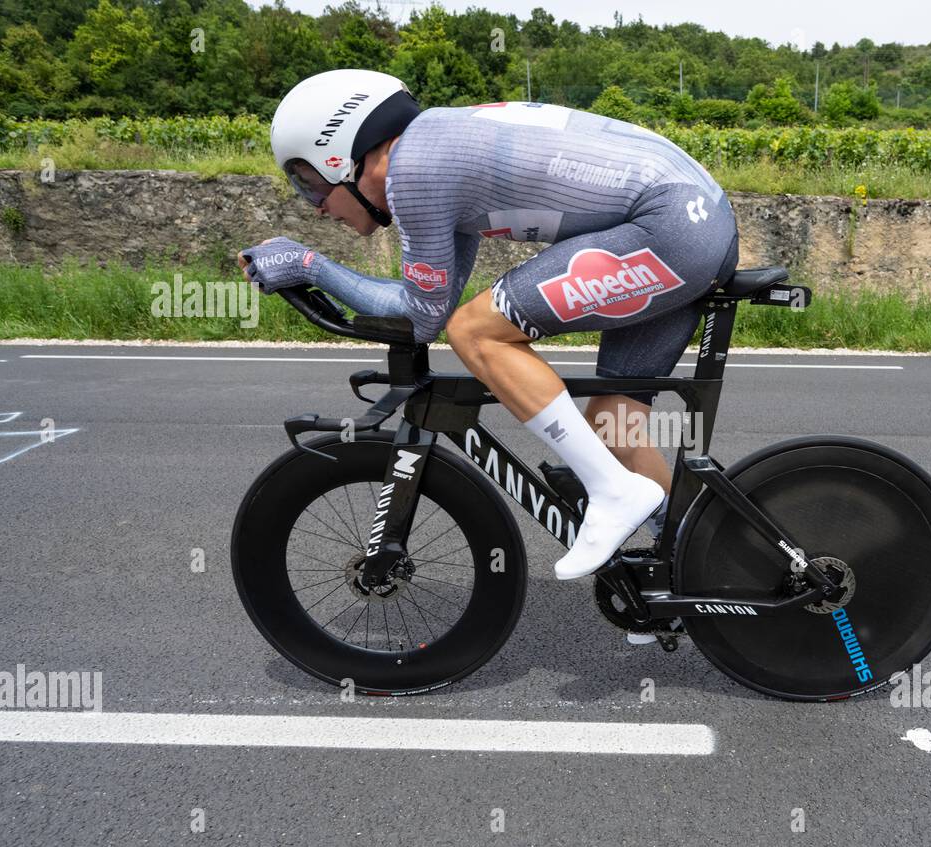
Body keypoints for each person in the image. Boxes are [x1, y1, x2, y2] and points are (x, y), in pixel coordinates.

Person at [239, 69, 739, 585]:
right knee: (614, 422)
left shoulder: (411, 171)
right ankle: (703, 573)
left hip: (671, 226)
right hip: (694, 222)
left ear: (338, 156)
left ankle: (615, 492)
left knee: (477, 332)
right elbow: (423, 308)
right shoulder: (436, 148)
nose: (317, 206)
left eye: (309, 183)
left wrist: (308, 265)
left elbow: (425, 319)